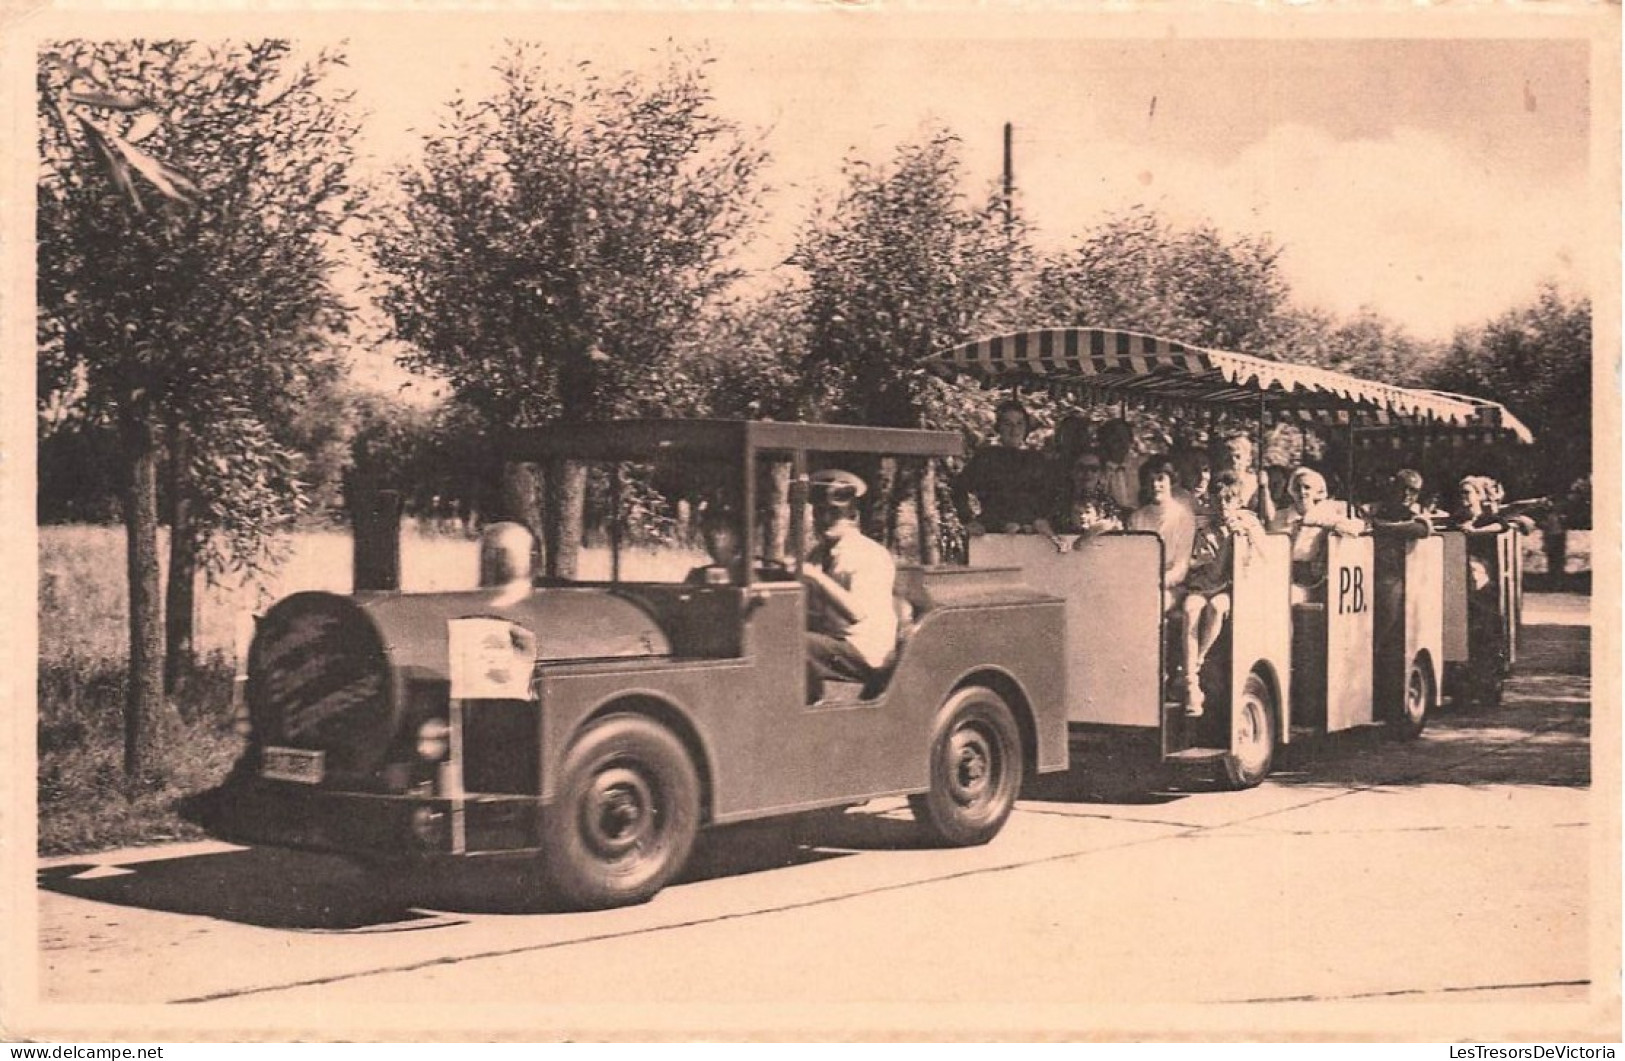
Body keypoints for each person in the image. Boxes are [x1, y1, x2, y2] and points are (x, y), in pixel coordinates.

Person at [801, 469, 898, 701]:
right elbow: (810, 611)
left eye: (834, 513)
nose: (824, 520)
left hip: (865, 650)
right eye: (819, 512)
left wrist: (815, 578)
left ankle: (812, 708)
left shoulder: (869, 554)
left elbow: (857, 613)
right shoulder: (817, 554)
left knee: (793, 645)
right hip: (835, 643)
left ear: (853, 515)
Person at [1180, 471, 1268, 716]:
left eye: (1229, 500)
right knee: (1190, 608)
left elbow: (1267, 557)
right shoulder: (1204, 527)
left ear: (1238, 501)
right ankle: (1191, 682)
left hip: (1231, 589)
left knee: (1217, 608)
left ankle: (1195, 662)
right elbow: (1192, 562)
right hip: (1203, 585)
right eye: (1218, 500)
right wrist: (1199, 559)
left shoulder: (1248, 524)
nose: (1223, 506)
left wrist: (1245, 537)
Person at [1268, 466, 1365, 604]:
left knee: (1285, 596)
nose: (1302, 492)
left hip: (1313, 579)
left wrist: (1320, 522)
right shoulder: (1280, 517)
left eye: (1307, 487)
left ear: (1317, 491)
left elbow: (1356, 528)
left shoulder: (1329, 512)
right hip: (1281, 572)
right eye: (1297, 488)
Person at [953, 399, 1051, 535]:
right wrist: (968, 520)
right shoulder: (986, 457)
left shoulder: (1038, 459)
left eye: (1019, 424)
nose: (1014, 430)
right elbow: (959, 488)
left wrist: (1043, 521)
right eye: (1007, 424)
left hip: (1031, 530)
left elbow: (1051, 495)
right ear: (999, 427)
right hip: (993, 528)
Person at [1128, 457, 1197, 613]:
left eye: (1160, 479)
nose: (1155, 485)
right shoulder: (1137, 518)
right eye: (1150, 480)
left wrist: (1157, 582)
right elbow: (1134, 561)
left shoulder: (1184, 517)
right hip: (1141, 582)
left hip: (1172, 586)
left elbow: (1181, 567)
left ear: (1171, 482)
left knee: (1155, 603)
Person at [1215, 429, 1275, 523]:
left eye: (1238, 457)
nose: (1234, 462)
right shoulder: (1219, 482)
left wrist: (1264, 488)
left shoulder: (1254, 482)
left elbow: (1269, 517)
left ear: (1248, 460)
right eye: (1228, 458)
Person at [1097, 418, 1143, 515]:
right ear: (1104, 441)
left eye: (1124, 437)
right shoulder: (1097, 470)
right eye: (1114, 438)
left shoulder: (1141, 467)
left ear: (1130, 440)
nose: (1120, 442)